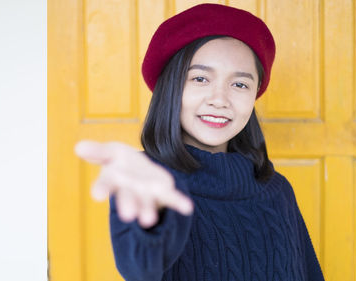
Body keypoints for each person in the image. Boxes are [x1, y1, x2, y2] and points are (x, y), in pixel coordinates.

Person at [75, 3, 325, 281]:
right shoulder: (150, 185)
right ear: (170, 87)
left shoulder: (277, 190)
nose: (219, 99)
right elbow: (141, 268)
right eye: (200, 78)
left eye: (240, 84)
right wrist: (153, 224)